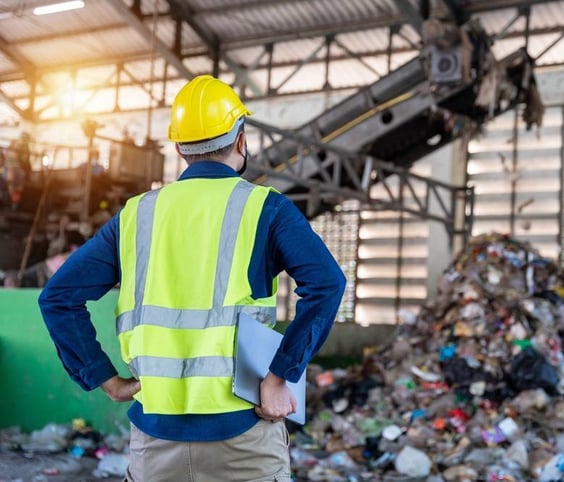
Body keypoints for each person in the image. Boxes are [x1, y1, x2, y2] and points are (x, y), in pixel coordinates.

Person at [38, 75, 346, 481]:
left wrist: (104, 379)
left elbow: (57, 297)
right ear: (241, 140)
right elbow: (327, 284)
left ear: (180, 148)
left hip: (154, 443)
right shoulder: (266, 209)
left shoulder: (135, 216)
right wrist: (279, 377)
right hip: (242, 440)